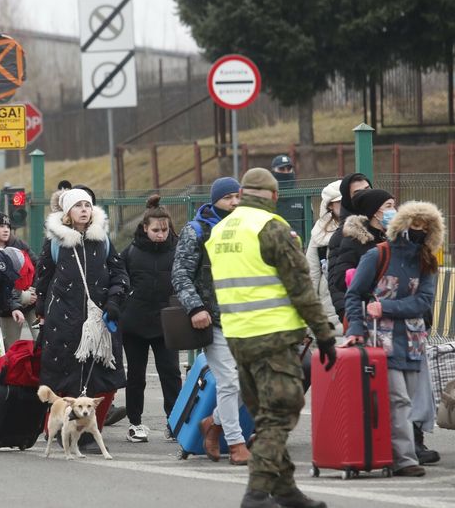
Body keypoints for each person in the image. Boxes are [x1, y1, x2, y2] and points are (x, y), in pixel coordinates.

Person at [205, 168, 336, 508]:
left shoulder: (221, 230)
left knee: (265, 416)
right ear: (275, 196)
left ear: (243, 193)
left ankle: (286, 491)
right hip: (273, 336)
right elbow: (301, 288)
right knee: (280, 412)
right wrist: (324, 334)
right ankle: (257, 493)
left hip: (236, 336)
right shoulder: (271, 228)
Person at [345, 201, 444, 477]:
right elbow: (355, 294)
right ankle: (405, 459)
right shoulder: (378, 255)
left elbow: (423, 302)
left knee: (408, 401)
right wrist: (355, 328)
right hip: (380, 342)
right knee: (398, 400)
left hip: (412, 343)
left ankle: (391, 454)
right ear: (402, 225)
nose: (420, 232)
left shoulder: (426, 261)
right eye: (415, 226)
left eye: (426, 228)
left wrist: (385, 307)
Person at [34, 188, 129, 453]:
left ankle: (90, 428)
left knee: (102, 375)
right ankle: (55, 427)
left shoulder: (103, 241)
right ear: (67, 213)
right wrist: (41, 309)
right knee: (64, 376)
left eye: (88, 205)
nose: (84, 210)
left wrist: (113, 300)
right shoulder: (55, 242)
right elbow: (43, 277)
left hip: (99, 319)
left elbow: (119, 273)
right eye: (78, 206)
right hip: (63, 320)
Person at [171, 176, 251, 464]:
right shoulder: (196, 231)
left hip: (244, 318)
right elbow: (180, 274)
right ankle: (236, 442)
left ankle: (213, 424)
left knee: (249, 380)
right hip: (212, 320)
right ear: (216, 199)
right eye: (229, 197)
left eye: (238, 197)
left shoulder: (245, 228)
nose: (234, 203)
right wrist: (195, 309)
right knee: (230, 381)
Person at [119, 195, 181, 443]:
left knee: (171, 373)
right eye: (156, 230)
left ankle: (175, 421)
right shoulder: (131, 252)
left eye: (165, 229)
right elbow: (120, 281)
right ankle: (135, 423)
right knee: (136, 375)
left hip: (167, 324)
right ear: (145, 228)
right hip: (134, 324)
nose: (161, 234)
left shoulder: (177, 251)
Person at [328, 189, 394, 323]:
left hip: (395, 311)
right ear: (375, 212)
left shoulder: (396, 240)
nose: (394, 211)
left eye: (394, 205)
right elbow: (340, 279)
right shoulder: (355, 241)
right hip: (368, 316)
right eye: (389, 206)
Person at [0, 210, 37, 348]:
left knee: (41, 341)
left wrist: (34, 290)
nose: (6, 230)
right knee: (11, 347)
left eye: (8, 226)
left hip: (32, 303)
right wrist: (20, 297)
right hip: (8, 310)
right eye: (1, 226)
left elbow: (38, 268)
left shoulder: (20, 245)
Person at [326, 173, 372, 321]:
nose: (366, 195)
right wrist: (347, 315)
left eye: (367, 189)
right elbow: (336, 282)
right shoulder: (342, 236)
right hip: (361, 317)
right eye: (358, 193)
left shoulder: (387, 229)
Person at [305, 180, 343, 335]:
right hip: (329, 311)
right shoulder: (319, 234)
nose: (346, 205)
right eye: (340, 202)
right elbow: (311, 276)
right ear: (329, 205)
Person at [270, 155, 305, 237]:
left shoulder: (301, 196)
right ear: (273, 171)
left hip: (297, 246)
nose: (286, 172)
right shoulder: (267, 196)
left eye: (289, 169)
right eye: (281, 169)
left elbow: (308, 225)